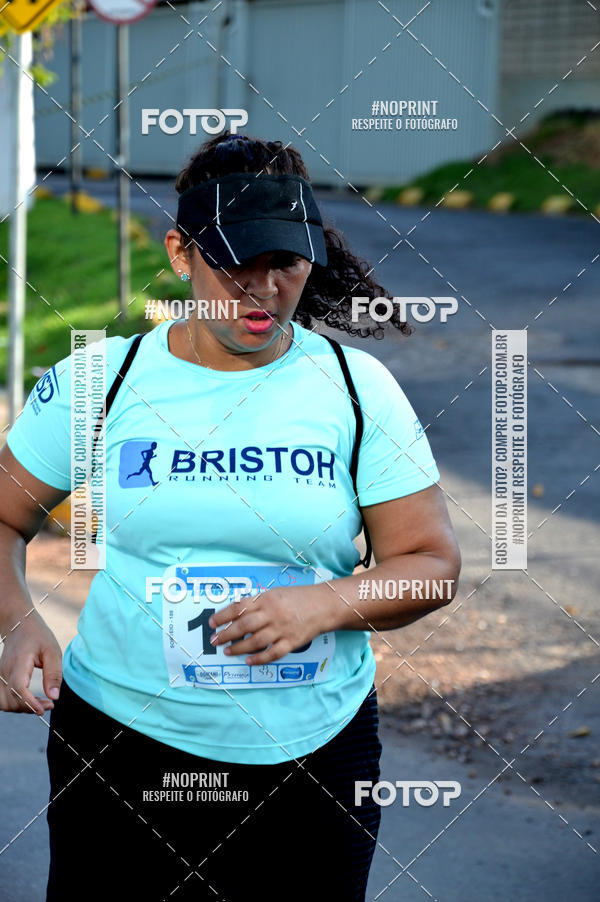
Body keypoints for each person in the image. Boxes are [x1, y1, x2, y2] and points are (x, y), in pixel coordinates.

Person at [0, 132, 461, 901]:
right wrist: (15, 622)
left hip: (315, 755)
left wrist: (325, 604)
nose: (262, 290)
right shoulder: (100, 383)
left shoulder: (357, 388)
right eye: (234, 264)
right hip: (120, 744)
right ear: (182, 253)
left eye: (283, 262)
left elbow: (432, 567)